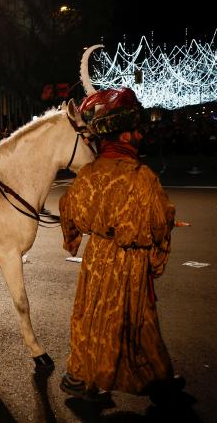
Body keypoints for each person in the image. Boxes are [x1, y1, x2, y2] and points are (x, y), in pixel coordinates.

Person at [58, 87, 185, 403]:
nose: (140, 136)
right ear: (125, 135)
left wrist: (73, 237)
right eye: (136, 131)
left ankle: (85, 376)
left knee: (91, 317)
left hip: (97, 258)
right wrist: (157, 255)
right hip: (131, 264)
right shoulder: (143, 177)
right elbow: (160, 221)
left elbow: (69, 209)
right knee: (135, 319)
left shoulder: (88, 174)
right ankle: (138, 377)